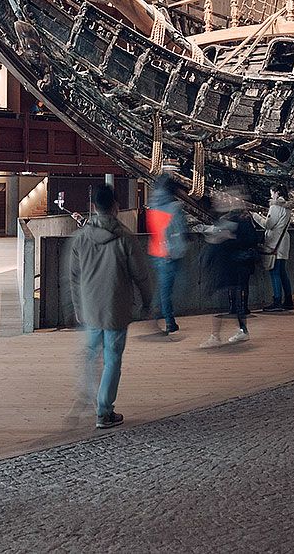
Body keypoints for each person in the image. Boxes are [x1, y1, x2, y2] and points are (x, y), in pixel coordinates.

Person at [68, 184, 150, 430]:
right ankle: (104, 411)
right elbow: (140, 274)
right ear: (115, 208)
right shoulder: (125, 237)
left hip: (91, 308)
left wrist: (77, 306)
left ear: (94, 208)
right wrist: (147, 302)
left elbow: (74, 277)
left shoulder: (82, 238)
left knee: (91, 354)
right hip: (117, 307)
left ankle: (88, 397)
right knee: (113, 359)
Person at [200, 188, 260, 346]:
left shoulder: (233, 220)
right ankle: (241, 330)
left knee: (222, 301)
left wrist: (227, 238)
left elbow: (242, 240)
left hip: (230, 265)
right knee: (234, 299)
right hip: (237, 264)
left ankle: (217, 336)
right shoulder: (242, 219)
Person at [145, 165, 189, 334]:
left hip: (156, 251)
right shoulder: (175, 207)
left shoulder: (153, 205)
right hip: (171, 253)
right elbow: (179, 230)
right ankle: (166, 320)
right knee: (171, 289)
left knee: (164, 289)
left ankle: (163, 318)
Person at [261, 190, 294, 313]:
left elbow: (268, 225)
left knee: (274, 272)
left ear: (277, 193)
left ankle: (277, 301)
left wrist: (256, 217)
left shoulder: (275, 207)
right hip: (284, 242)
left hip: (275, 243)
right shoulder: (288, 208)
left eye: (271, 193)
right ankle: (288, 300)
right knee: (282, 272)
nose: (271, 196)